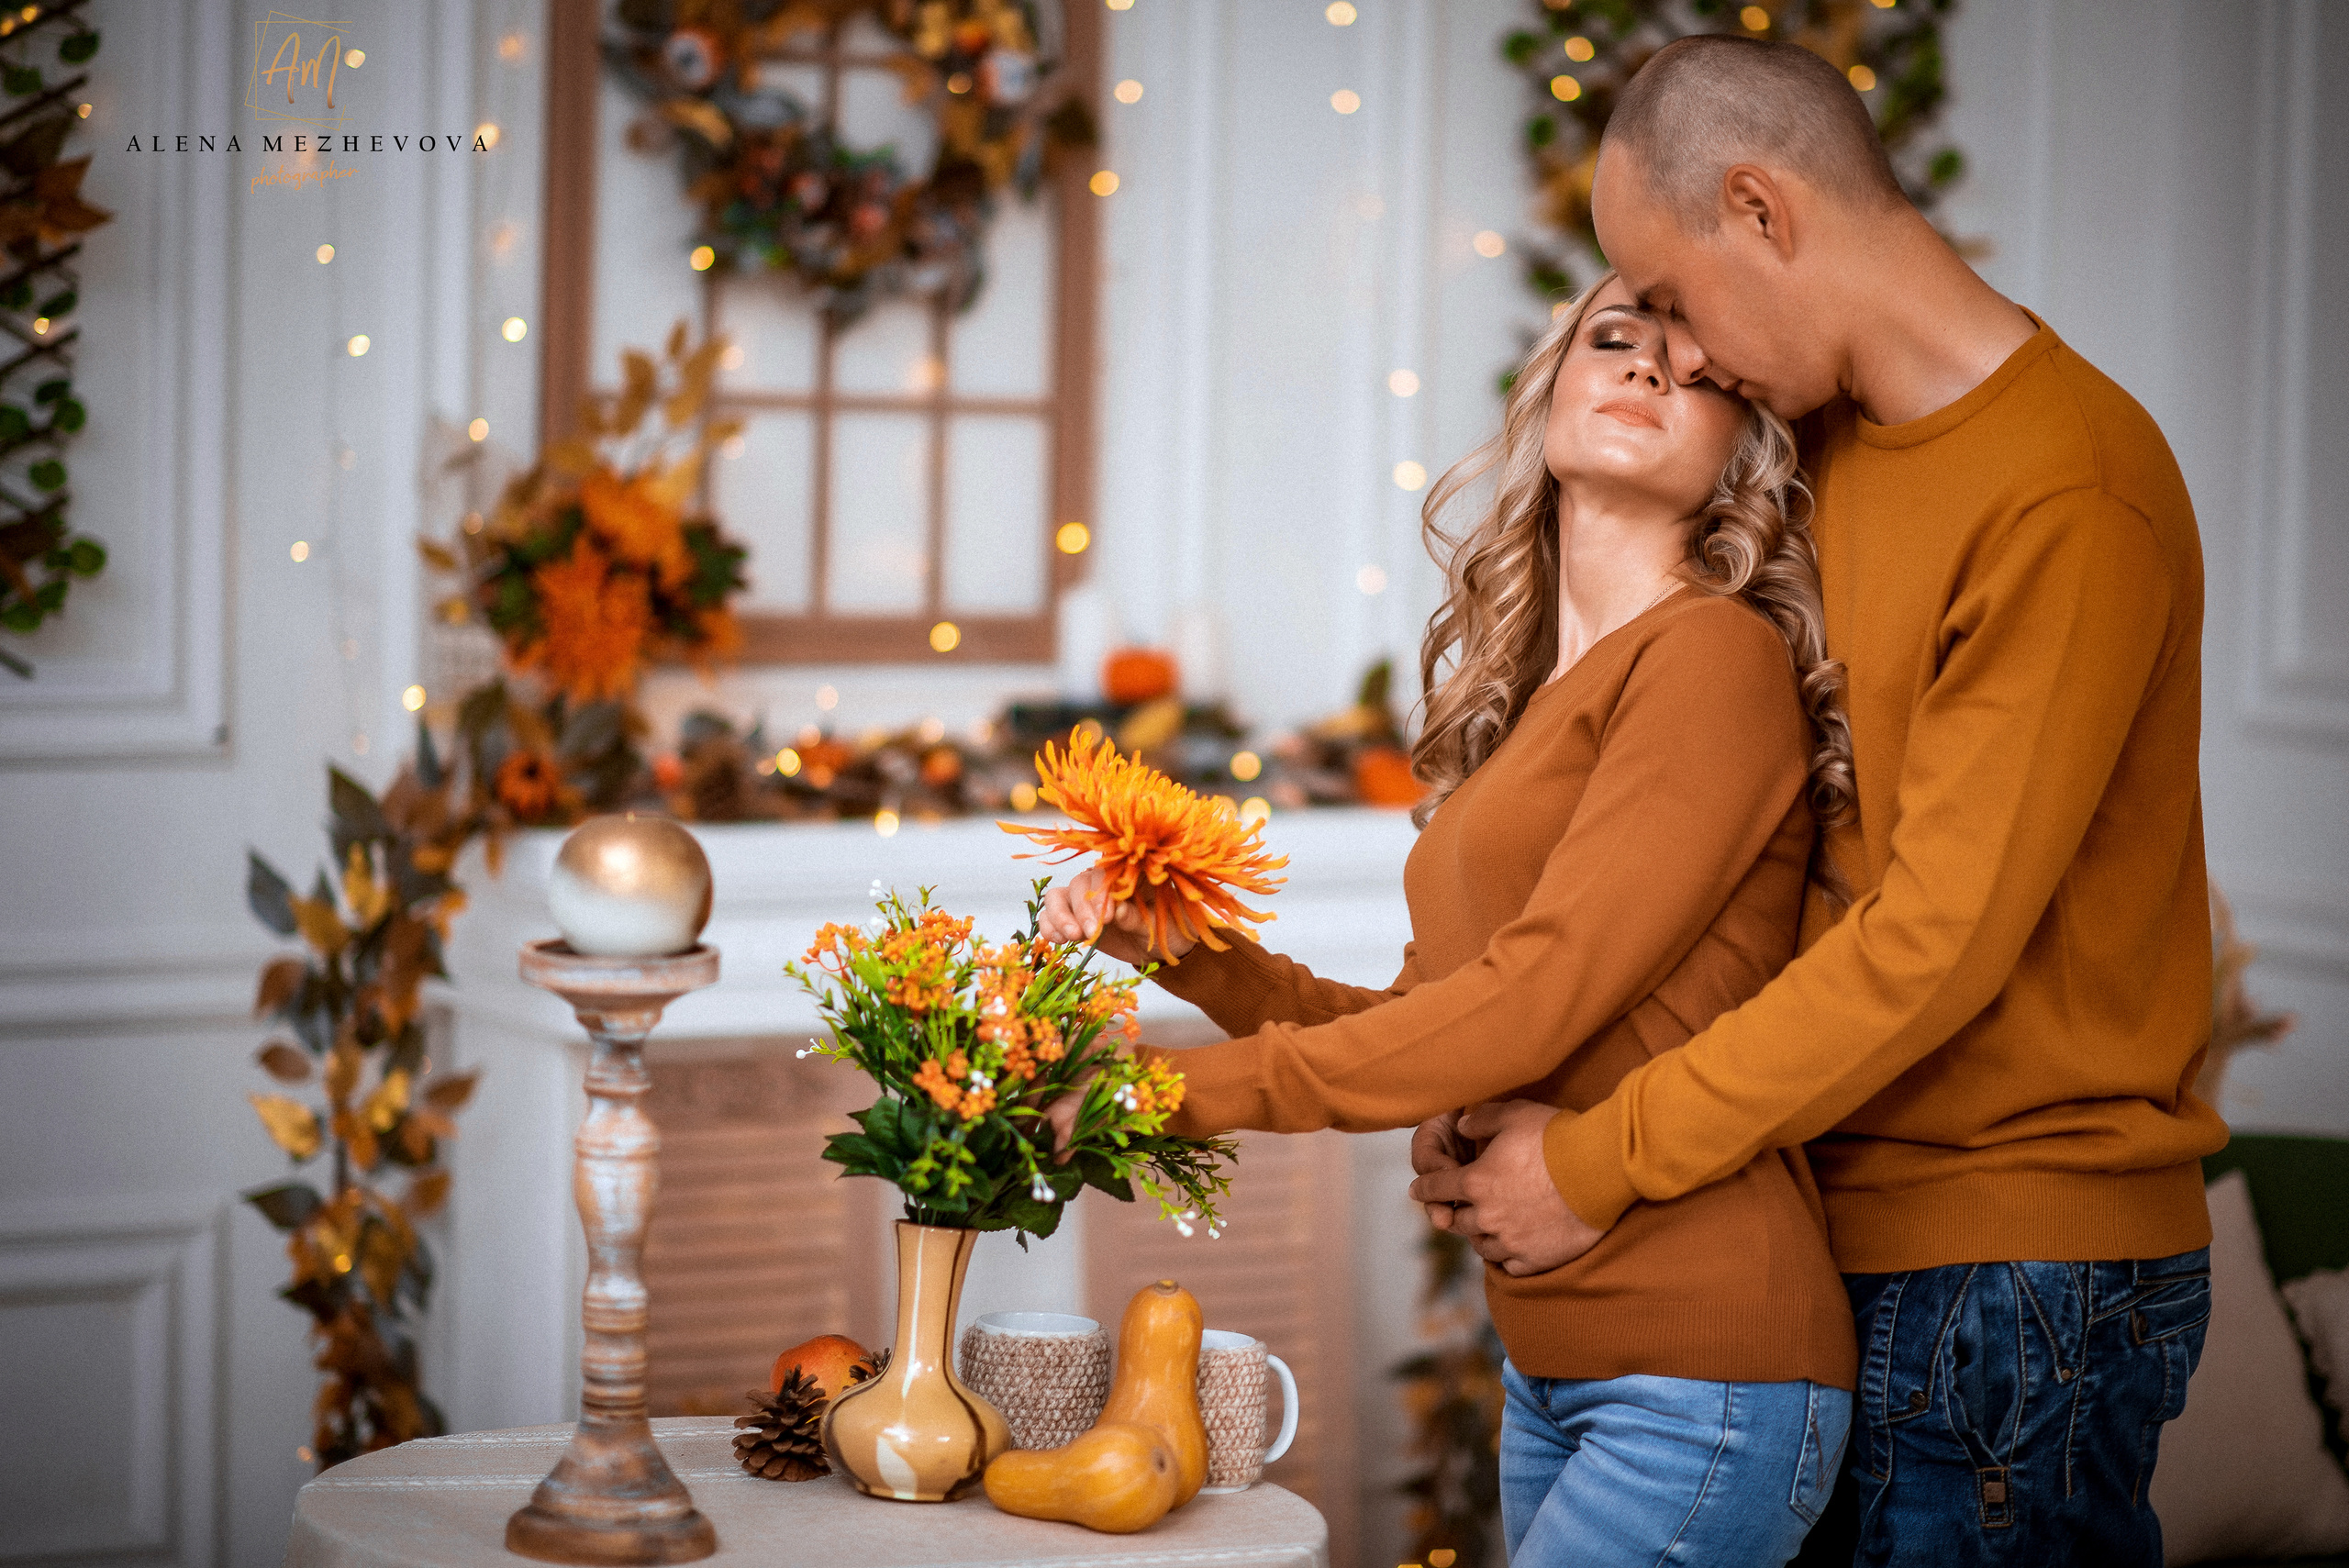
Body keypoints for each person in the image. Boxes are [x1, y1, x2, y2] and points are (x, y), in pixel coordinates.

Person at [1404, 35, 2226, 1568]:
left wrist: (1591, 1161)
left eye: (1677, 297)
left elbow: (1929, 942)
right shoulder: (1811, 455)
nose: (1687, 357)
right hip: (1807, 1233)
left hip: (2010, 1278)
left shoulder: (2071, 489)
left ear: (1762, 211)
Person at [1044, 272, 1859, 1567]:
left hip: (1701, 1369)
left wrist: (1165, 1093)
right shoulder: (1537, 707)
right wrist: (1190, 952)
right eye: (1614, 340)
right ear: (1550, 393)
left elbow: (1535, 997)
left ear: (1740, 455)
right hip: (1556, 1368)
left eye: (1698, 369)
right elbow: (1433, 1024)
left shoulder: (1713, 655)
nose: (1651, 369)